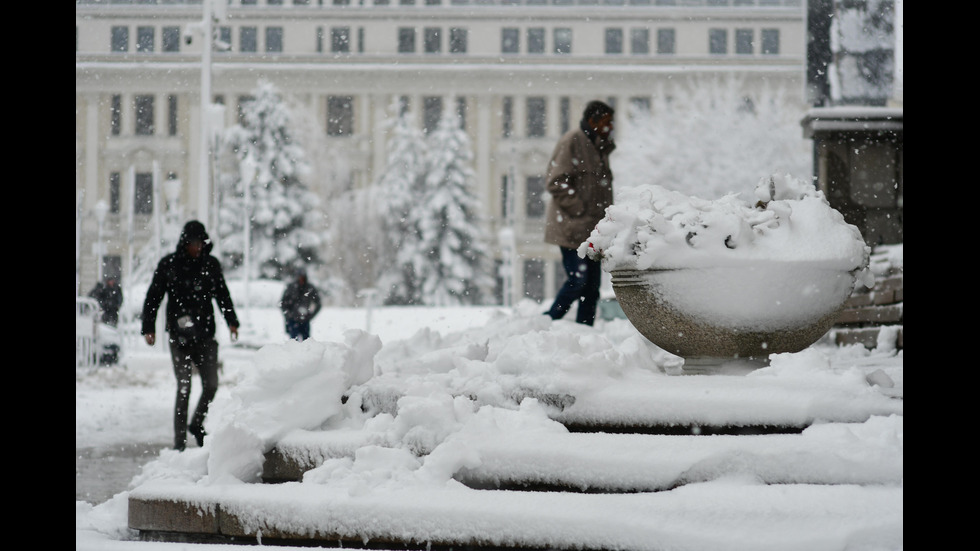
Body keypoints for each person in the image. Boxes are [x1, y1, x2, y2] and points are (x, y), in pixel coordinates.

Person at [141, 220, 239, 451]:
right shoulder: (170, 265)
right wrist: (148, 327)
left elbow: (222, 295)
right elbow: (153, 296)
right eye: (193, 243)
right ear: (185, 243)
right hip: (180, 337)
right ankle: (179, 444)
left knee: (212, 384)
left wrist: (232, 322)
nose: (197, 248)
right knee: (183, 387)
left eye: (200, 244)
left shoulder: (211, 265)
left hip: (205, 335)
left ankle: (196, 423)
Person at [543, 100, 616, 326]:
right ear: (593, 121)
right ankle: (547, 321)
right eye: (606, 122)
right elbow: (555, 181)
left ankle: (585, 331)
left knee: (592, 289)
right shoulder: (573, 141)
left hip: (593, 231)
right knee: (578, 281)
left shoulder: (599, 146)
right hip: (572, 229)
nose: (611, 127)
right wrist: (580, 210)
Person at [279, 269, 321, 341]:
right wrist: (289, 315)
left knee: (307, 343)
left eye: (303, 277)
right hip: (292, 320)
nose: (301, 279)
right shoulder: (291, 287)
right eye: (299, 277)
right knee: (294, 342)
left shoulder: (309, 288)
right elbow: (283, 303)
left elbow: (318, 303)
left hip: (305, 320)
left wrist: (311, 315)